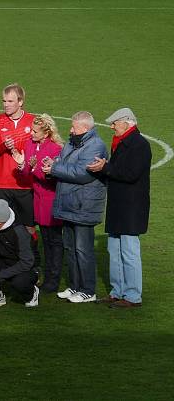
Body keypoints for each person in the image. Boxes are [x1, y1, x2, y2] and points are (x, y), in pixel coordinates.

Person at [86, 108, 150, 308]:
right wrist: (104, 168)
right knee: (114, 250)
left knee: (129, 252)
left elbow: (130, 174)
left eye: (115, 123)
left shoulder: (139, 145)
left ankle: (132, 296)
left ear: (127, 123)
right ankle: (117, 291)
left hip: (131, 208)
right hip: (119, 206)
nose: (112, 126)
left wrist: (105, 167)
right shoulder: (123, 143)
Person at [45, 111, 107, 304]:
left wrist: (55, 169)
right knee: (70, 247)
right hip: (69, 203)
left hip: (83, 205)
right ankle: (75, 286)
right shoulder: (73, 142)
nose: (71, 130)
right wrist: (53, 164)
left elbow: (83, 173)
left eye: (74, 127)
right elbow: (64, 164)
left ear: (86, 128)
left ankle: (88, 290)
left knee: (83, 249)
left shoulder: (96, 146)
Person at [11, 114, 64, 293]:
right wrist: (23, 167)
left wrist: (32, 168)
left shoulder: (56, 149)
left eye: (35, 131)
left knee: (54, 241)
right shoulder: (30, 144)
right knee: (46, 240)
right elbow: (27, 174)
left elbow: (53, 177)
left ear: (46, 132)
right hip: (39, 199)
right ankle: (49, 276)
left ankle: (53, 278)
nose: (31, 134)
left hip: (51, 200)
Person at [0, 84, 36, 258]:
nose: (6, 104)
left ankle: (32, 264)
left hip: (25, 184)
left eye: (10, 101)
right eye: (4, 101)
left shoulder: (33, 121)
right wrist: (3, 146)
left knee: (29, 227)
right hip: (2, 183)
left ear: (20, 102)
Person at [0, 200, 39, 309]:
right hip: (5, 262)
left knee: (20, 282)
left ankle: (32, 293)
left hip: (26, 268)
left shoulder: (19, 232)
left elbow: (27, 262)